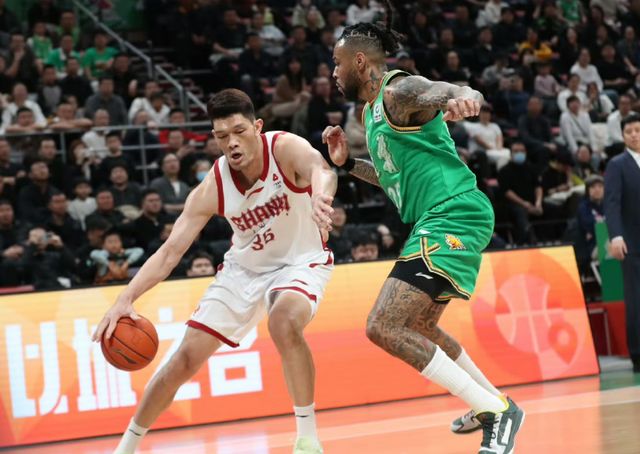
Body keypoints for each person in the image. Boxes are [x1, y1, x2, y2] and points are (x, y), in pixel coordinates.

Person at [92, 89, 337, 454]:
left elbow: (322, 169)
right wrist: (124, 298)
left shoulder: (284, 148)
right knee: (183, 360)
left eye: (239, 131)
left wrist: (320, 195)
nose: (232, 142)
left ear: (257, 126)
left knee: (283, 320)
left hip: (301, 261)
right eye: (222, 136)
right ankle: (125, 448)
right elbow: (170, 252)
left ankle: (307, 439)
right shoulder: (214, 185)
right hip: (244, 270)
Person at [326, 10, 524, 453]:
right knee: (419, 325)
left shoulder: (398, 90)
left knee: (382, 325)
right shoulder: (370, 112)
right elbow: (392, 177)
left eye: (337, 63)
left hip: (454, 212)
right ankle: (490, 400)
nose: (333, 73)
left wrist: (465, 96)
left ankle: (496, 411)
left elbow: (449, 90)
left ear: (360, 61)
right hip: (436, 216)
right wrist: (347, 165)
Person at [604, 113, 640, 373]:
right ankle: (638, 354)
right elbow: (612, 203)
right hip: (632, 243)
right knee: (636, 299)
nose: (634, 135)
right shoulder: (617, 165)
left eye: (638, 130)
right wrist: (616, 236)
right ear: (623, 136)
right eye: (629, 131)